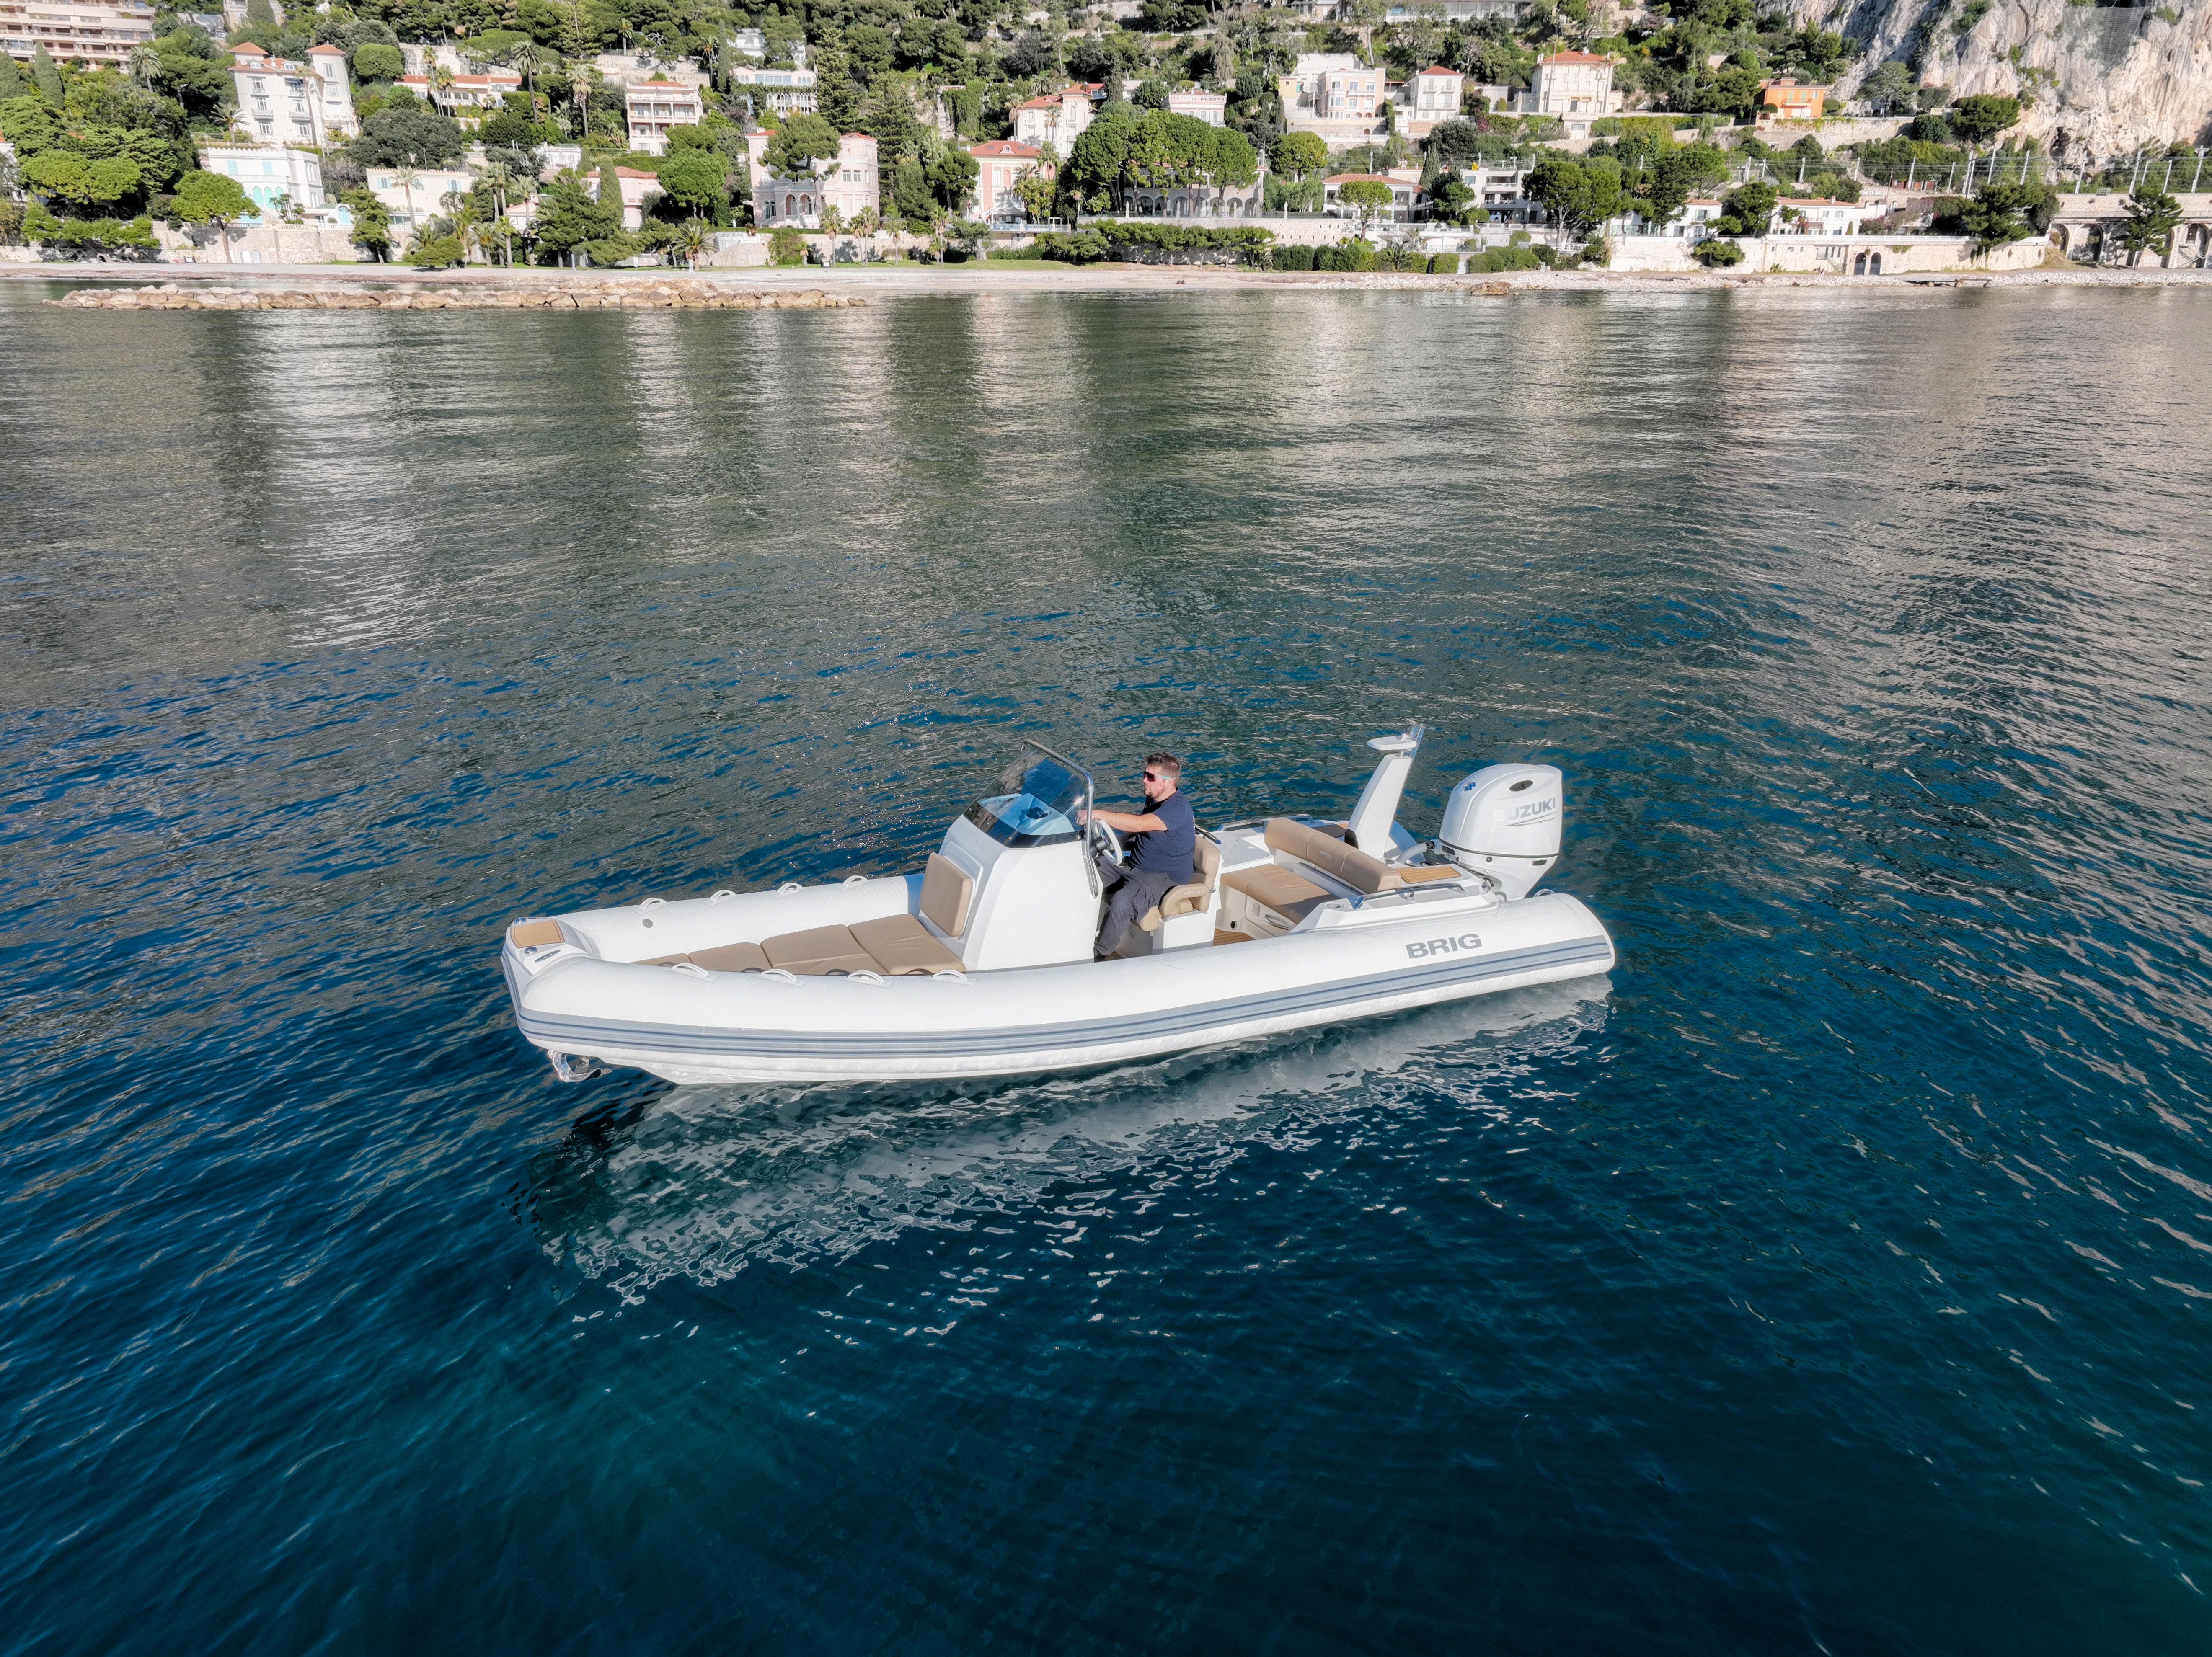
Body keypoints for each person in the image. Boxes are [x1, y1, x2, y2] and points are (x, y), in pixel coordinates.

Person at [1084, 751, 1196, 960]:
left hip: (1162, 877)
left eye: (1151, 777)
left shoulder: (1177, 808)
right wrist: (1115, 843)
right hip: (1135, 867)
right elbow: (1138, 829)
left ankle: (1099, 956)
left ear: (1169, 782)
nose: (1144, 780)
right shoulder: (1155, 798)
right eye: (1145, 774)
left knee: (1122, 902)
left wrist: (1097, 814)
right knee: (1087, 868)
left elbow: (1139, 824)